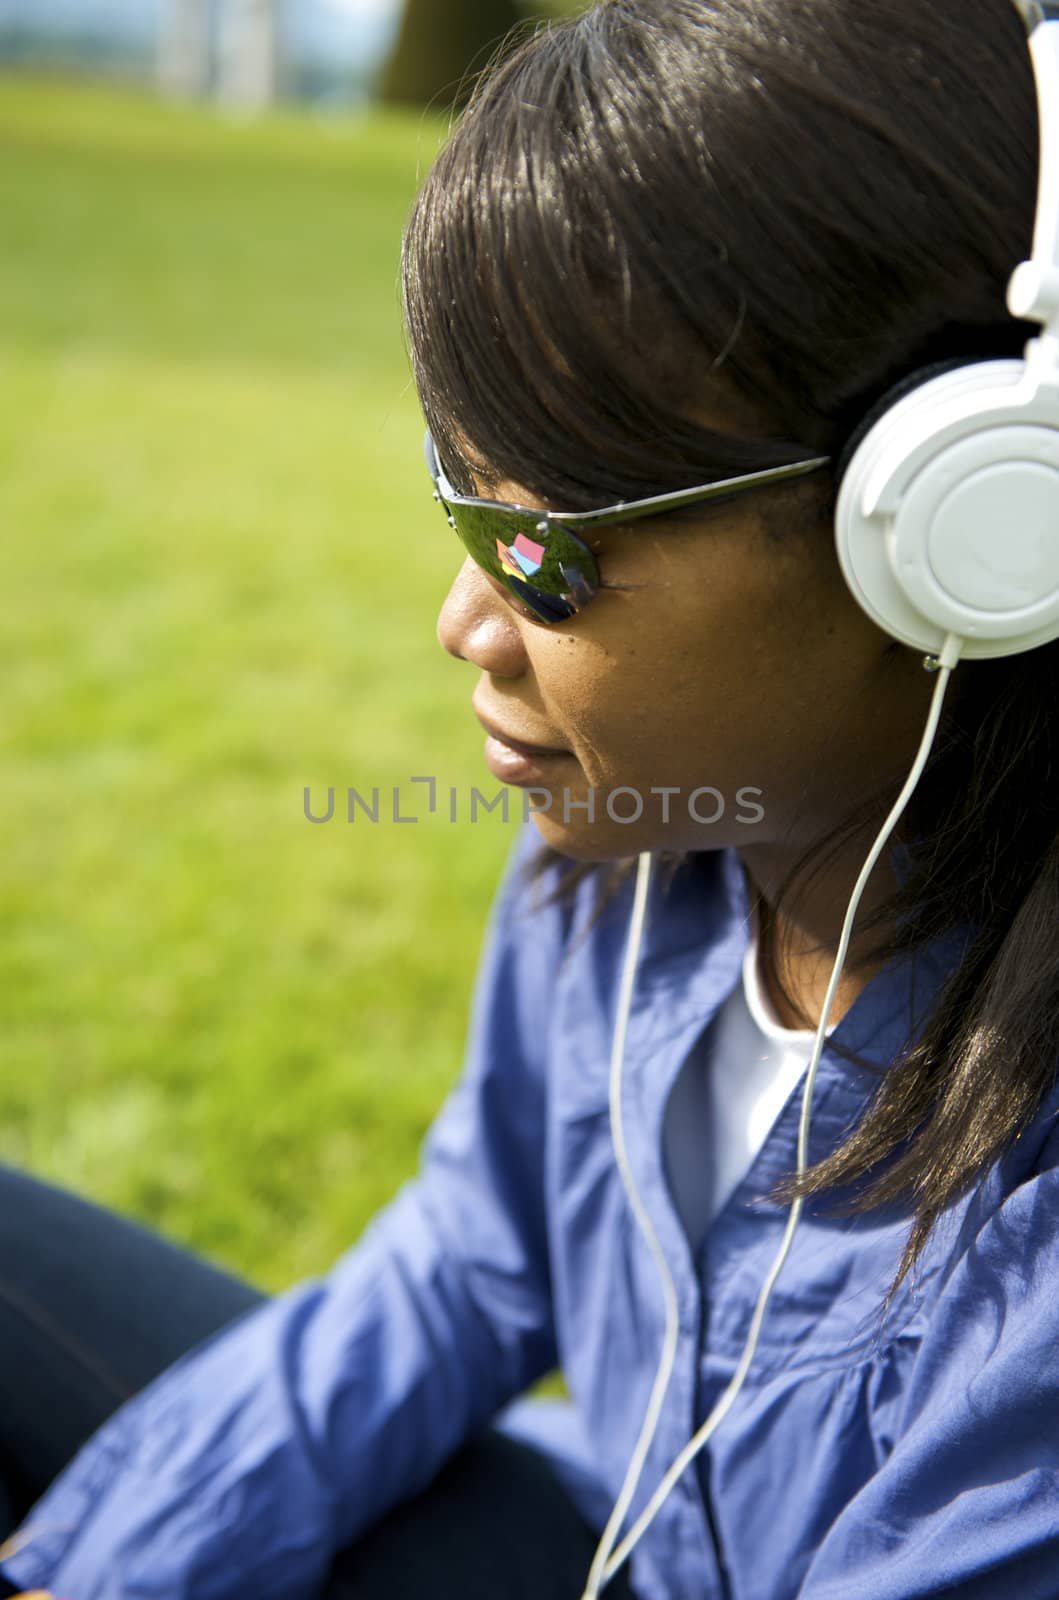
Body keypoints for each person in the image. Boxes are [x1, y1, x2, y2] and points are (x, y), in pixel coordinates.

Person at [3, 0, 1059, 1595]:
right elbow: (468, 1255)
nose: (465, 624)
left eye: (541, 550)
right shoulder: (641, 840)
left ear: (969, 534)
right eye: (456, 493)